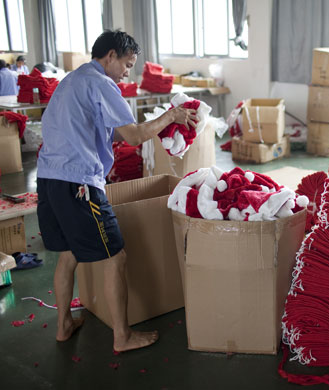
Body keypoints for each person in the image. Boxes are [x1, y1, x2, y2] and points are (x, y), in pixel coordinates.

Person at [36, 30, 198, 351]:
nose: (128, 72)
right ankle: (122, 337)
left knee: (68, 256)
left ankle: (64, 324)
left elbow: (94, 128)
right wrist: (172, 116)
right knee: (116, 257)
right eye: (127, 64)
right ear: (110, 56)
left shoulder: (71, 80)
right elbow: (134, 135)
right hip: (78, 182)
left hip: (48, 178)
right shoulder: (101, 83)